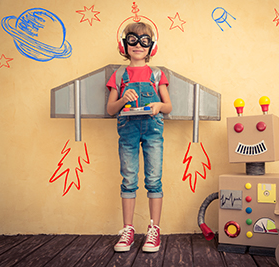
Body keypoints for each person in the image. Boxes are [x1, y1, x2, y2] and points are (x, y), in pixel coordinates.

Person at [106, 22, 172, 253]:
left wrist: (158, 105)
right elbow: (111, 109)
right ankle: (128, 229)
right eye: (132, 40)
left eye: (144, 41)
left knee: (154, 179)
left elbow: (168, 106)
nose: (138, 45)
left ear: (151, 47)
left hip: (153, 130)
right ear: (124, 45)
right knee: (129, 180)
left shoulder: (156, 74)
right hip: (128, 131)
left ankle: (154, 228)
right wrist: (124, 98)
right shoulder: (119, 74)